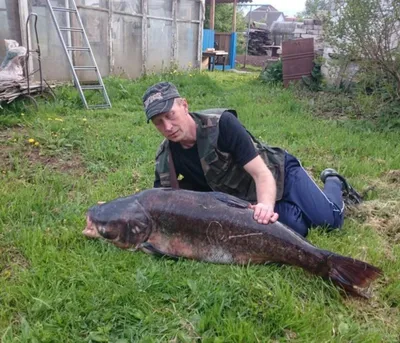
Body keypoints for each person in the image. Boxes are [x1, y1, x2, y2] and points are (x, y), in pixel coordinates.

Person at [142, 81, 362, 237]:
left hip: (279, 174)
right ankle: (291, 206)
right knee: (298, 228)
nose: (167, 127)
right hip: (247, 199)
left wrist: (266, 206)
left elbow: (261, 173)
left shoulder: (222, 125)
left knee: (329, 221)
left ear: (184, 105)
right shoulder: (166, 158)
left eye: (170, 115)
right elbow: (162, 202)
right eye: (158, 122)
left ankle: (333, 180)